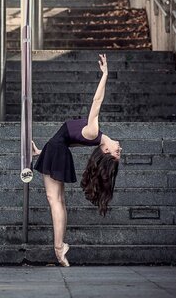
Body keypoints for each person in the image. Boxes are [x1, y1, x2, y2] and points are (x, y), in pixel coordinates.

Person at [31, 53, 122, 267]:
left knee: (55, 201)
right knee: (59, 202)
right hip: (56, 151)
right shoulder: (94, 137)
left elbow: (97, 101)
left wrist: (105, 75)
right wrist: (41, 152)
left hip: (57, 152)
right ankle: (61, 246)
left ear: (107, 151)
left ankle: (58, 248)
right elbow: (65, 140)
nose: (120, 148)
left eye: (117, 152)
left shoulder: (94, 131)